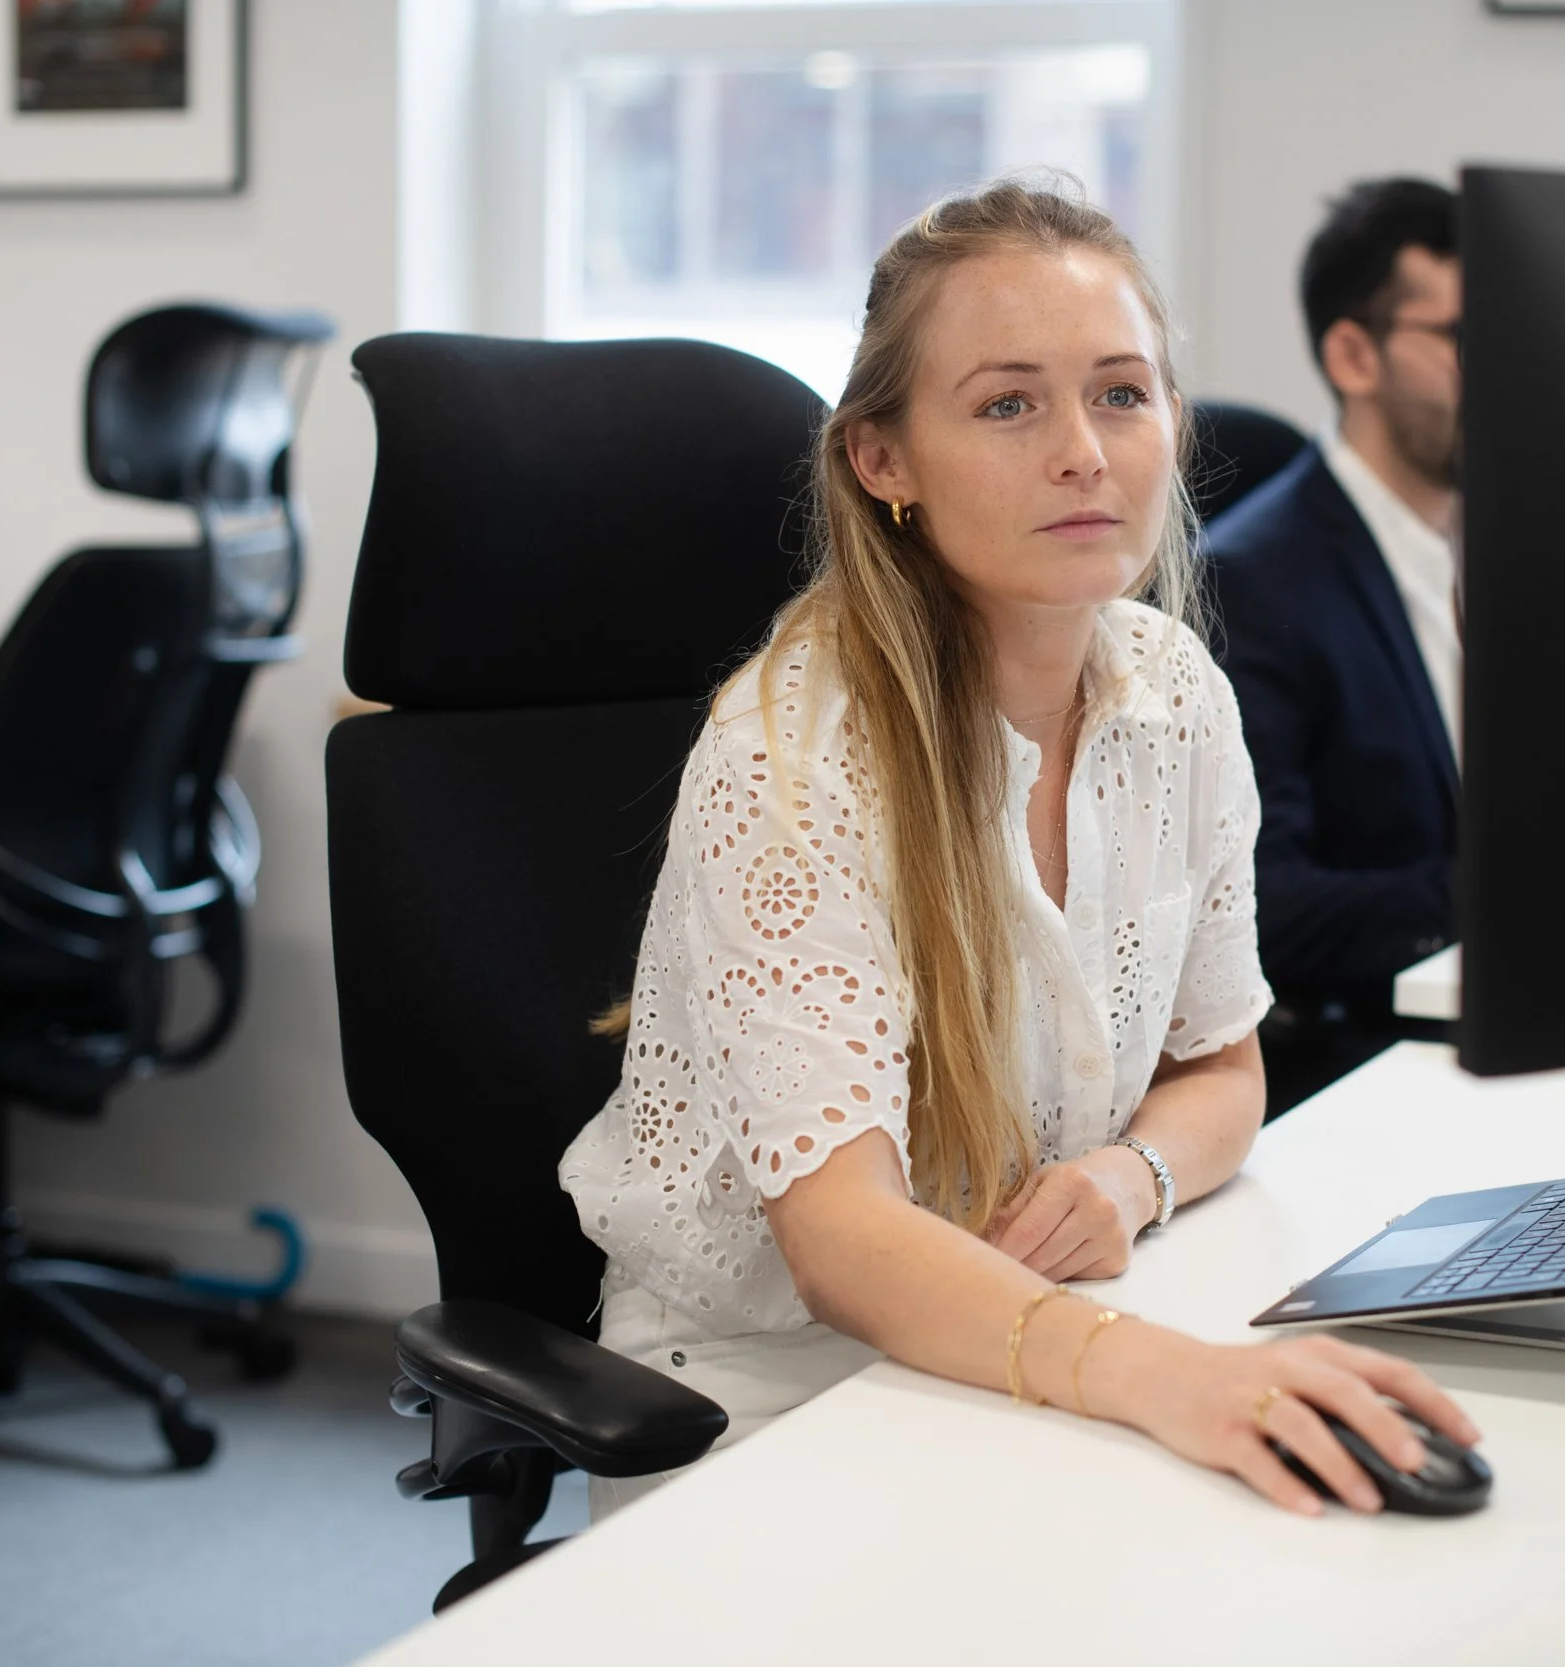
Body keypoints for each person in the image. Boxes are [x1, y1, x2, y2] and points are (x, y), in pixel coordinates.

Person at [559, 177, 1478, 1521]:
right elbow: (845, 1242)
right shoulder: (795, 755)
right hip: (784, 1400)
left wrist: (1133, 1170)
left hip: (1047, 1334)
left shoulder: (1175, 693)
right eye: (1007, 404)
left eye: (1121, 392)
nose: (1084, 453)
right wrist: (1173, 1378)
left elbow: (1222, 1061)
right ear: (883, 461)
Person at [1204, 178, 1462, 1115]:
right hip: (1360, 1070)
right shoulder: (1251, 579)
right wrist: (1515, 900)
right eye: (1467, 341)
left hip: (1477, 1031)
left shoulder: (1508, 550)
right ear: (1354, 353)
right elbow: (1266, 908)